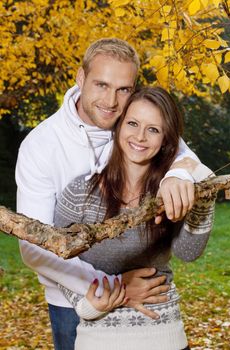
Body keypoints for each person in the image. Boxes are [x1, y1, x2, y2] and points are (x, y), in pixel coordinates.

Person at [16, 38, 202, 350]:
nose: (111, 100)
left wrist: (179, 174)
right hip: (70, 299)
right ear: (80, 78)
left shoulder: (132, 124)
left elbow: (186, 158)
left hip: (147, 296)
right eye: (101, 84)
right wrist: (114, 288)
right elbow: (34, 246)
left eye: (123, 89)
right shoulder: (41, 145)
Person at [54, 86, 216, 350]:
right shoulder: (79, 192)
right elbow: (57, 261)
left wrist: (202, 193)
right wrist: (87, 306)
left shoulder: (170, 190)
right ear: (118, 127)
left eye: (153, 129)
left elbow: (188, 252)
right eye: (132, 123)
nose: (140, 137)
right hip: (98, 341)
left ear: (165, 139)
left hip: (164, 336)